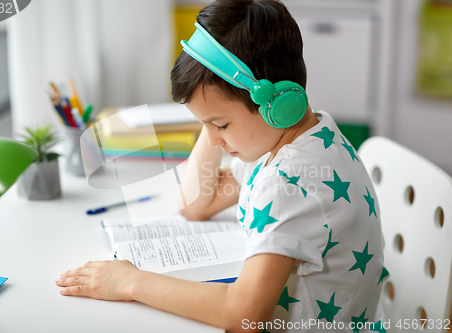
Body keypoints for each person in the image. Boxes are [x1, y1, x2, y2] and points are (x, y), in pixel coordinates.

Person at [56, 1, 387, 332]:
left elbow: (243, 314)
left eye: (222, 125)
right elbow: (197, 204)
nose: (213, 140)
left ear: (282, 106)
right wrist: (211, 116)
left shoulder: (292, 181)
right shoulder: (305, 136)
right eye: (206, 126)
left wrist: (129, 282)